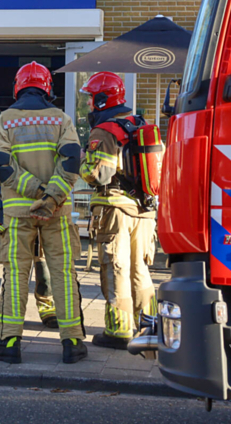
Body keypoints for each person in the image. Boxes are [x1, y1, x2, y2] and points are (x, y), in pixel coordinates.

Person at [0, 62, 87, 365]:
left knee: (15, 275)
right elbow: (70, 163)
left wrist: (35, 192)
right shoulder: (61, 119)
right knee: (64, 275)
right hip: (57, 212)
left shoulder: (4, 121)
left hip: (17, 214)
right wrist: (50, 198)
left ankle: (10, 341)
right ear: (47, 88)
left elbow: (1, 166)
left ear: (18, 86)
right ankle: (72, 343)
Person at [79, 71, 157, 349]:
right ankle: (150, 326)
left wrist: (81, 163)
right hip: (145, 209)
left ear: (102, 99)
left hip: (115, 210)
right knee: (141, 269)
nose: (88, 104)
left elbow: (99, 174)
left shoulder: (104, 131)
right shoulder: (139, 123)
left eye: (90, 98)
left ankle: (118, 330)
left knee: (116, 268)